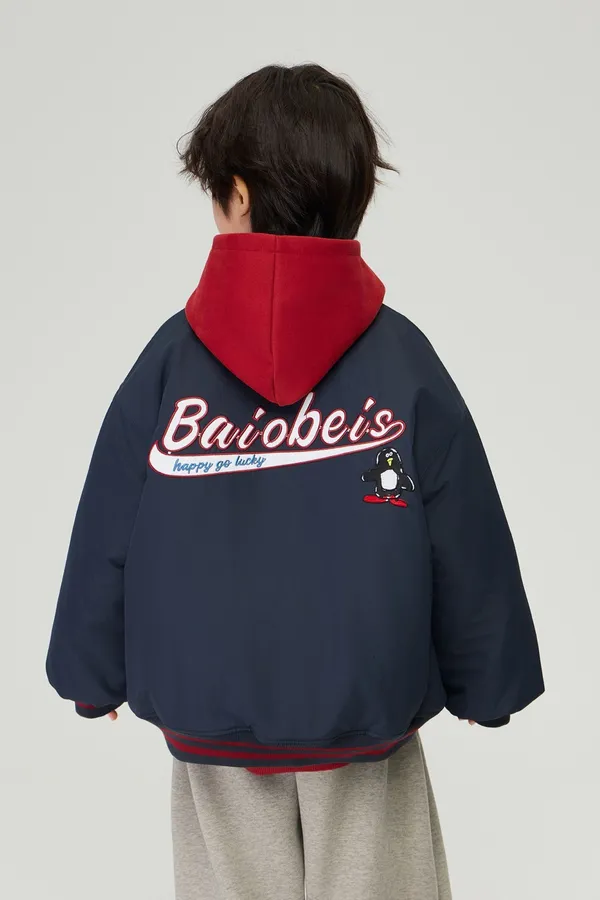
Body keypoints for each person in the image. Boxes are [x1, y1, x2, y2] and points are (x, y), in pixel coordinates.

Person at [46, 63, 544, 900]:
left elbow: (109, 525)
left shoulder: (169, 365)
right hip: (366, 712)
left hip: (213, 714)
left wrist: (89, 678)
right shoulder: (403, 362)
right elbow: (463, 528)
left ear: (235, 195)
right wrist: (488, 684)